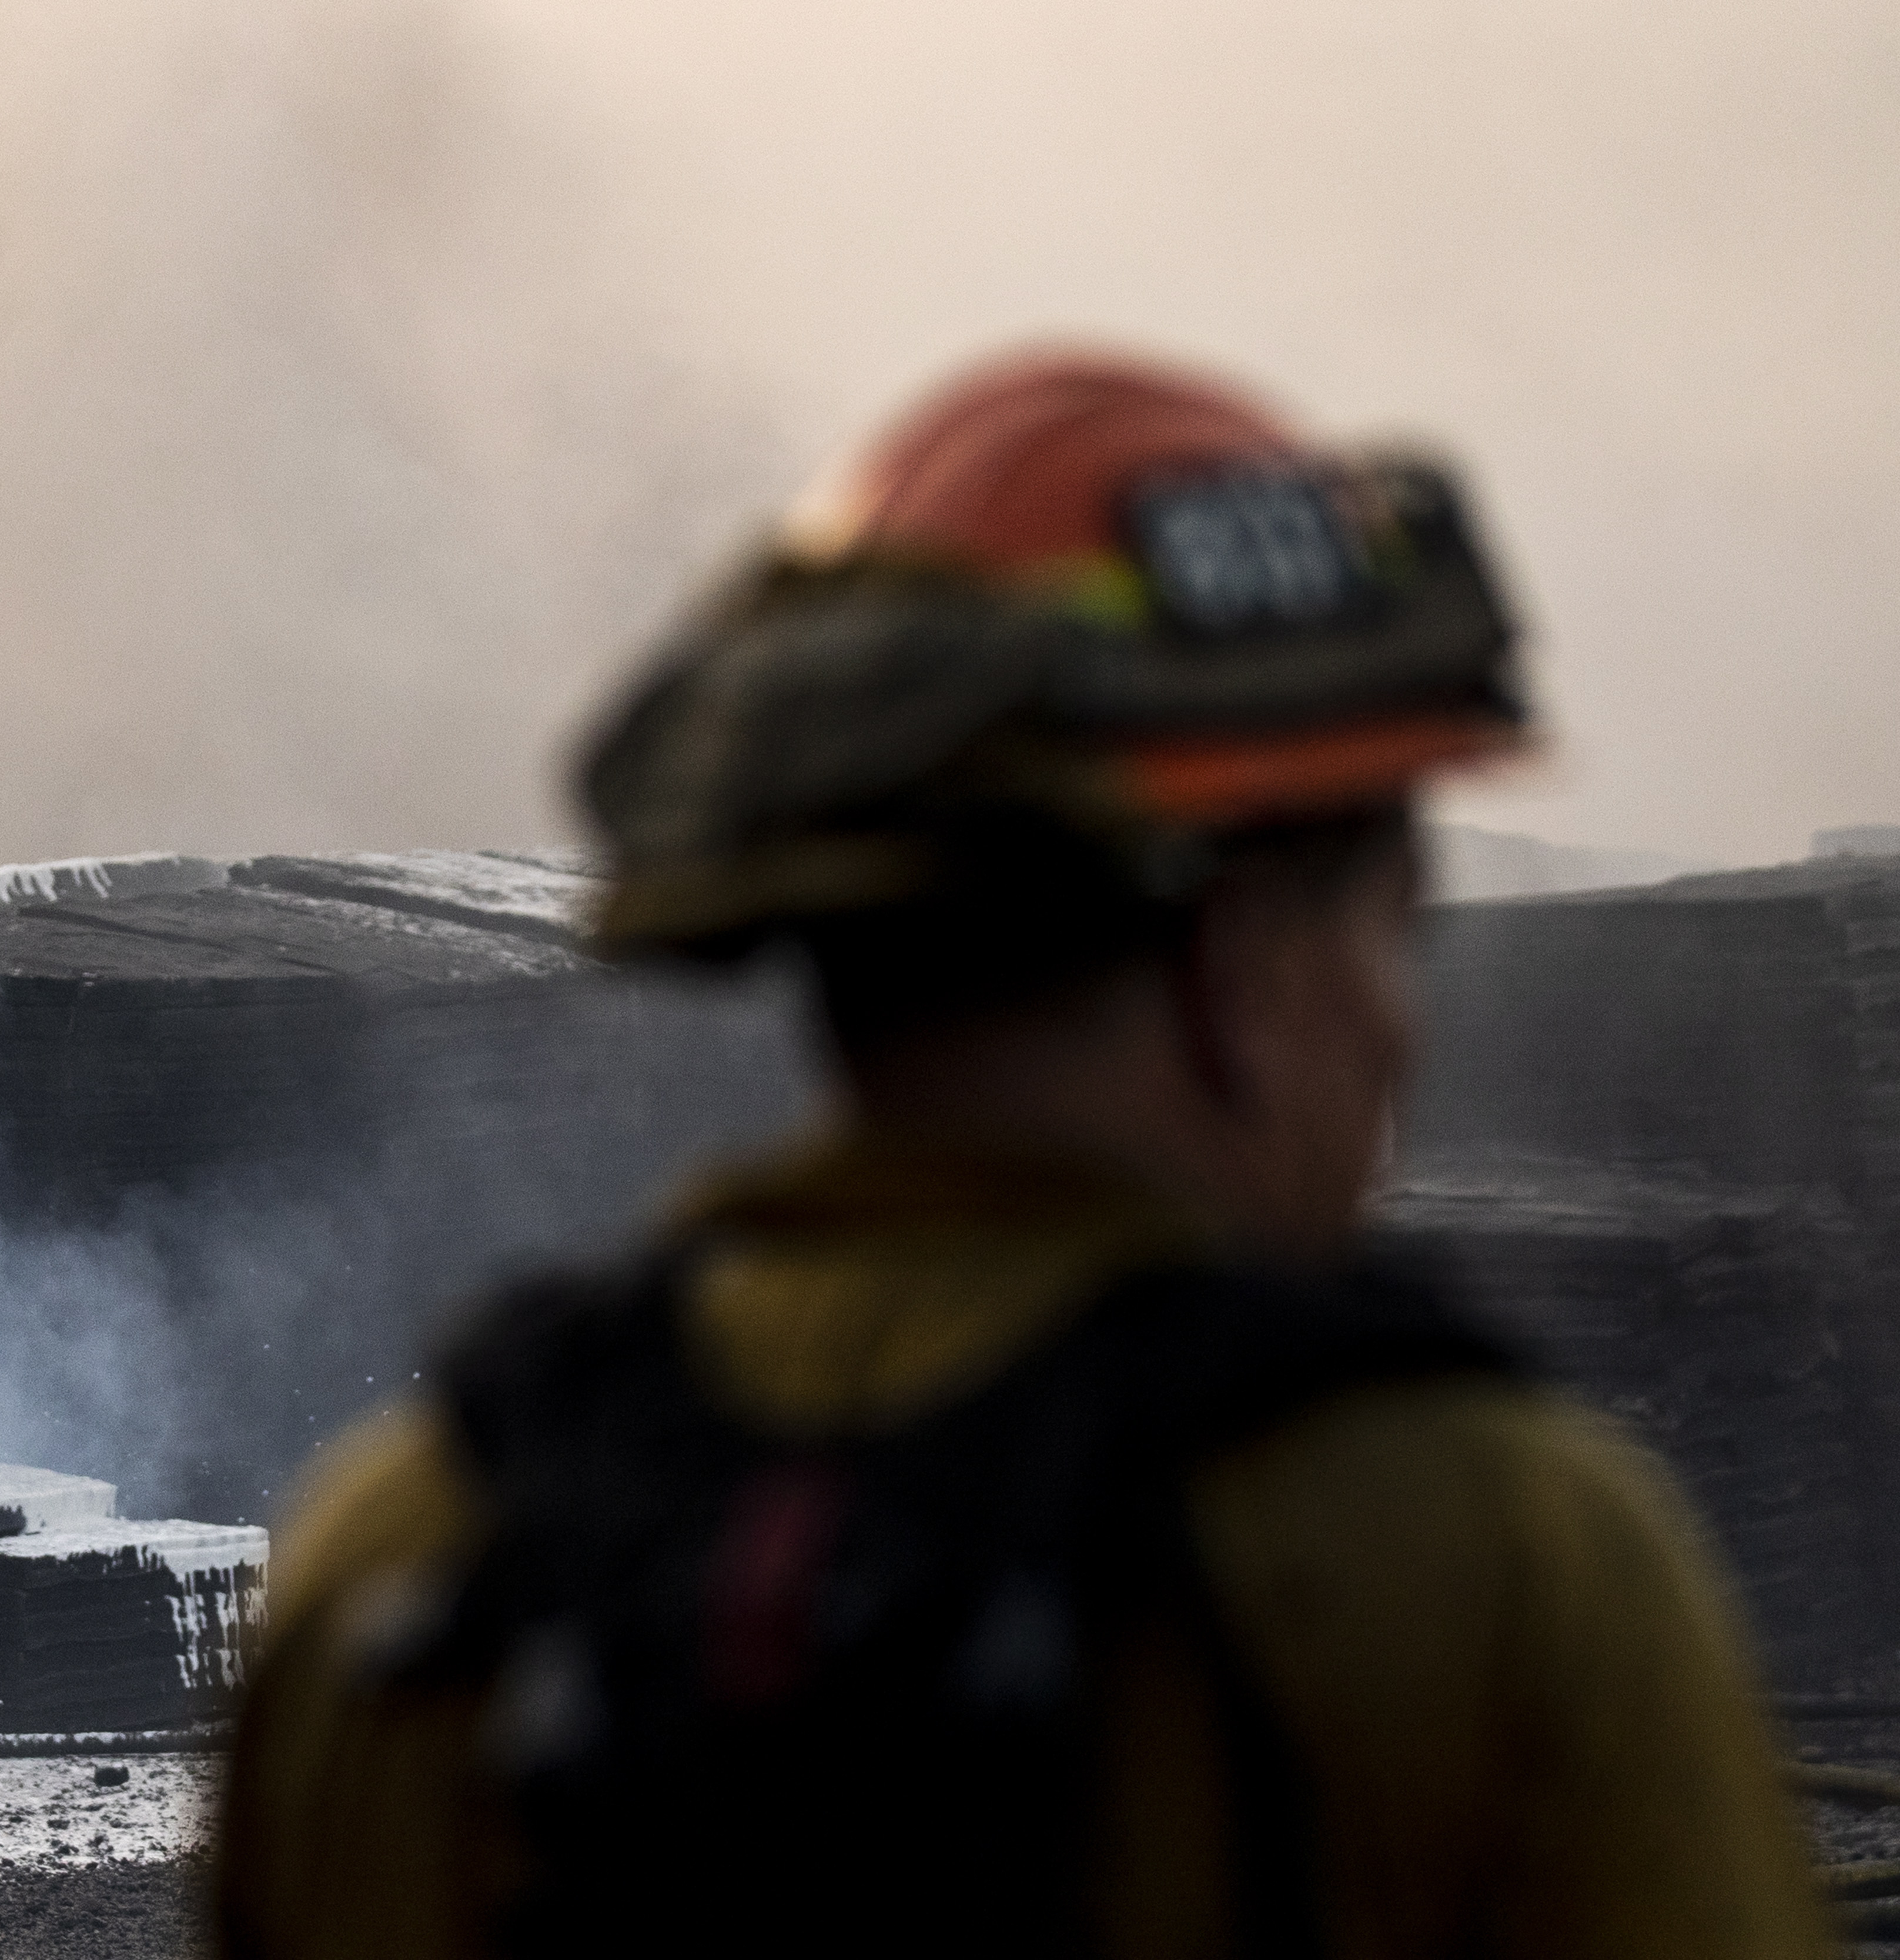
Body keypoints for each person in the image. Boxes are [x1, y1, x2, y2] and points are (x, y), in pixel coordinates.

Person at [216, 351, 1829, 1959]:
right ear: (1242, 963)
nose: (1402, 1030)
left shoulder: (400, 1570)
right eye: (1392, 930)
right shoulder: (1503, 1566)